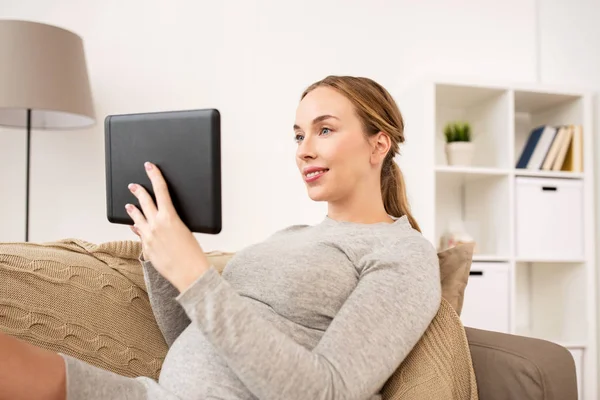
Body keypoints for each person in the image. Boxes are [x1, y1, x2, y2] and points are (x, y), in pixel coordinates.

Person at [0, 75, 441, 400]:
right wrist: (160, 253)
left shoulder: (403, 252)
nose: (304, 148)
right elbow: (193, 335)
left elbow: (328, 391)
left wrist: (194, 272)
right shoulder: (287, 237)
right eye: (298, 134)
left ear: (378, 145)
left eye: (324, 129)